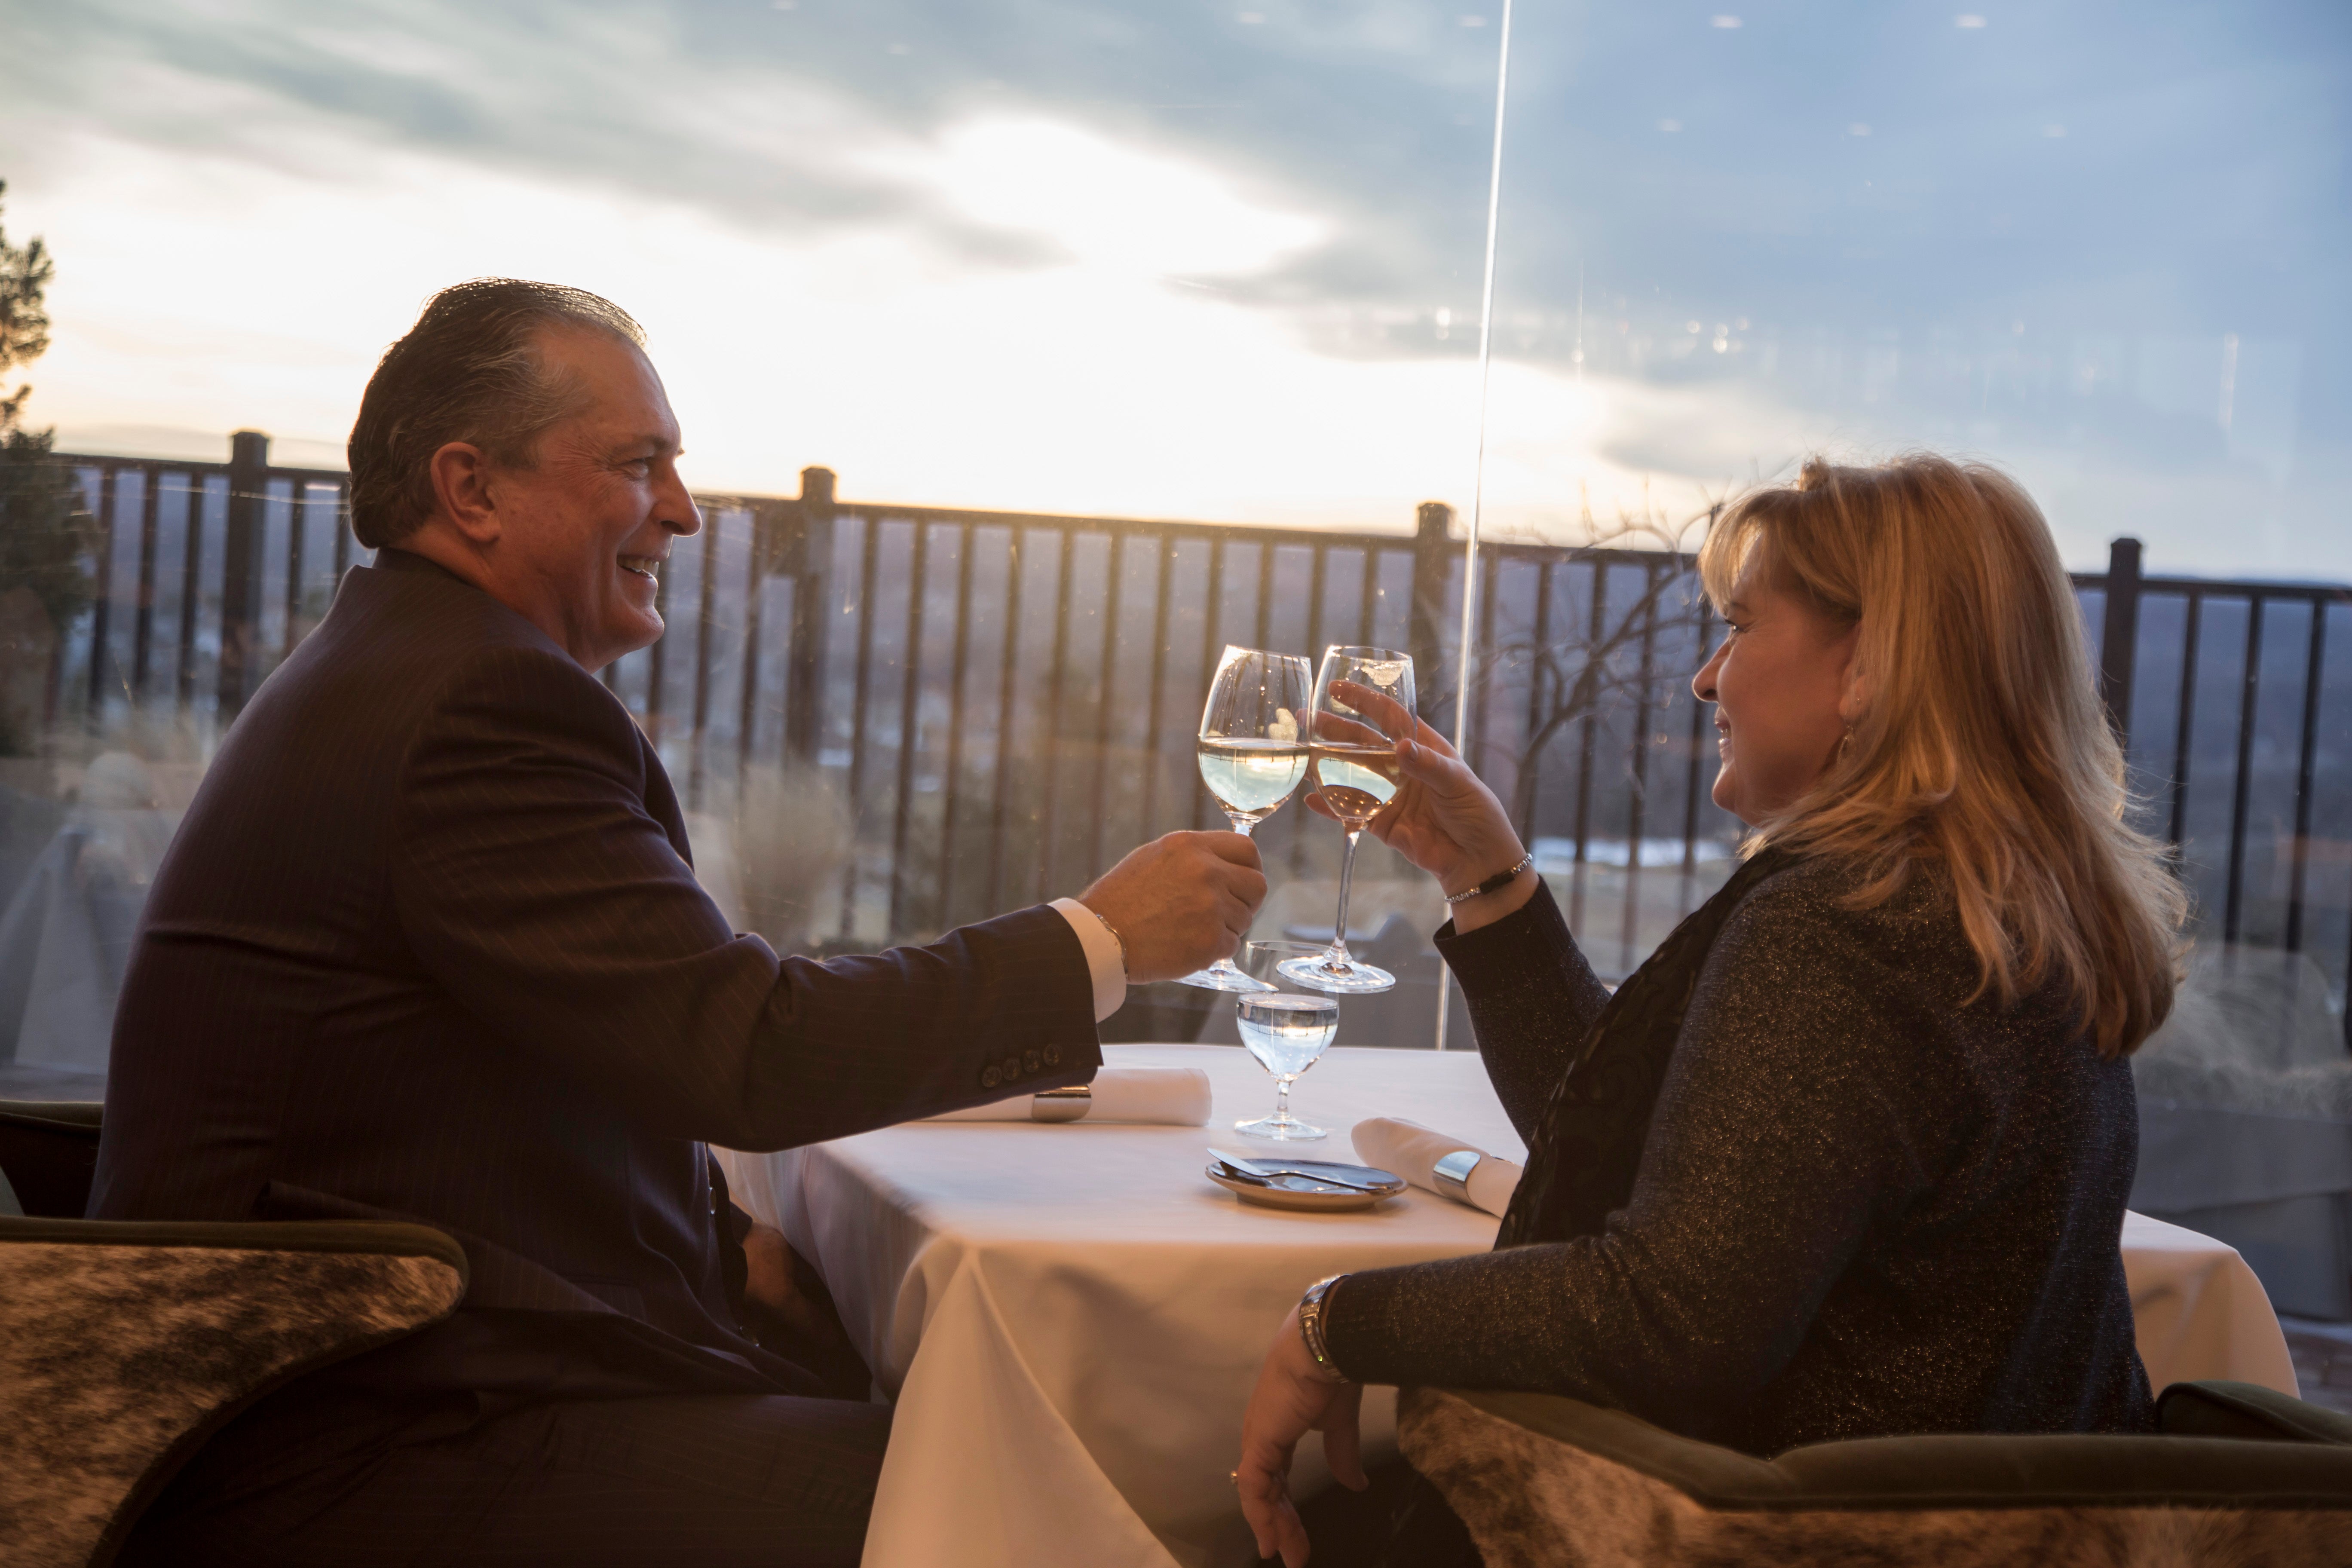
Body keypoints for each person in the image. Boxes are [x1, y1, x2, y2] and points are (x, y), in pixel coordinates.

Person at [92, 278, 1267, 1567]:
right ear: (470, 488)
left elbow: (578, 1048)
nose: (685, 512)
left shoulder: (406, 663)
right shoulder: (477, 704)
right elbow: (744, 1049)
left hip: (367, 1382)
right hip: (355, 1444)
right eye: (639, 464)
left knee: (959, 1425)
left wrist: (730, 1245)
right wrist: (1097, 941)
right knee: (1018, 1500)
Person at [1235, 454, 2187, 1566]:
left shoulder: (1845, 928)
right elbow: (1678, 1173)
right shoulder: (2010, 909)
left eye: (1739, 627)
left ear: (1870, 662)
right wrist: (1491, 884)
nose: (1707, 678)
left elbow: (1672, 1316)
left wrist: (1338, 1323)